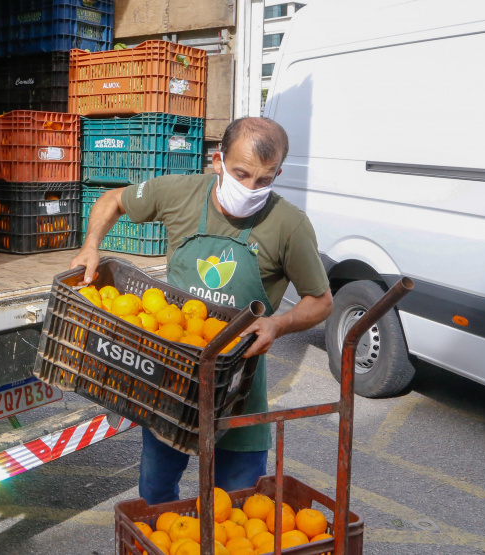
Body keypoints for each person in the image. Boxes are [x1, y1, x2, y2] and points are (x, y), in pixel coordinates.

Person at [68, 117, 333, 504]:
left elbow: (321, 300)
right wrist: (91, 245)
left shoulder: (289, 225)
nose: (250, 189)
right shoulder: (180, 192)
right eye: (240, 174)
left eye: (264, 180)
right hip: (170, 380)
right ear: (217, 160)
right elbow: (113, 200)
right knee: (157, 496)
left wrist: (278, 323)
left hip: (237, 388)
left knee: (237, 506)